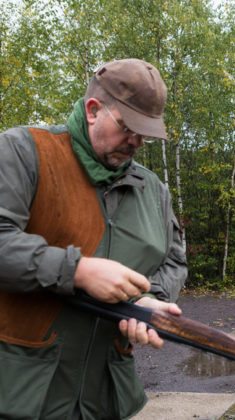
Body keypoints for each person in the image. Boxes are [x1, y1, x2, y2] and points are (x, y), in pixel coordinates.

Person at [0, 58, 187, 419]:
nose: (135, 142)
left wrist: (146, 300)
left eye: (144, 133)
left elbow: (174, 261)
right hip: (20, 393)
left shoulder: (154, 191)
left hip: (105, 398)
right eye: (126, 127)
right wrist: (79, 271)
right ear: (92, 109)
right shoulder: (23, 152)